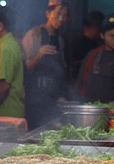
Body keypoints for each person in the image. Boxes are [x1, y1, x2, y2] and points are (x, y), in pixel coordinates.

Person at [22, 0, 69, 130]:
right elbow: (23, 70)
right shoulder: (34, 34)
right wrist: (38, 55)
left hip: (52, 100)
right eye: (58, 14)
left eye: (65, 15)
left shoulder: (60, 39)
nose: (61, 19)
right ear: (48, 13)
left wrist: (62, 94)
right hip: (34, 101)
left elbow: (61, 71)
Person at [76, 13, 114, 103]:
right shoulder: (93, 54)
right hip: (90, 105)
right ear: (102, 35)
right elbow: (80, 80)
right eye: (111, 36)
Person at [0, 4, 24, 119]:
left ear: (0, 25)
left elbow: (3, 86)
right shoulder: (3, 44)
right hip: (5, 114)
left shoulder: (7, 47)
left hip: (7, 114)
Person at [71, 11, 105, 80]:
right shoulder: (79, 43)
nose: (101, 31)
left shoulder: (95, 43)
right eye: (99, 27)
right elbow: (72, 64)